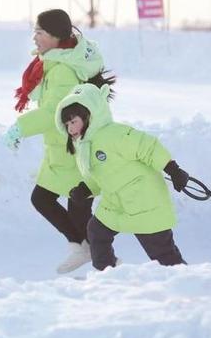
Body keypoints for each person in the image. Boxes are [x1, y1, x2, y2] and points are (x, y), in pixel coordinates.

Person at [4, 9, 113, 274]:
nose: (34, 37)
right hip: (62, 148)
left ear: (55, 36)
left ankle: (106, 263)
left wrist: (20, 128)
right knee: (53, 201)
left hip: (73, 149)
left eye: (39, 32)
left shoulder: (63, 69)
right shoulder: (56, 61)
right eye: (35, 31)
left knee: (68, 205)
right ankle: (84, 249)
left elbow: (54, 111)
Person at [55, 83, 189, 271]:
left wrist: (173, 170)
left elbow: (147, 147)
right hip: (116, 201)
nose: (70, 128)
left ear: (89, 114)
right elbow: (99, 174)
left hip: (143, 199)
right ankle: (107, 274)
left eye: (73, 121)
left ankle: (186, 280)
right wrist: (86, 189)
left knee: (162, 254)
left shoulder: (114, 134)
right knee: (96, 232)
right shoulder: (85, 145)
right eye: (66, 124)